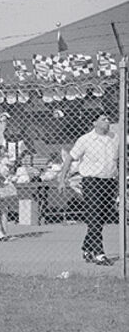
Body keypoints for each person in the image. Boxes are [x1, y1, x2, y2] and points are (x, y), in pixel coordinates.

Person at [61, 113, 119, 266]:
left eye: (108, 119)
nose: (107, 121)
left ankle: (87, 247)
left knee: (102, 217)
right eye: (103, 119)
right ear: (94, 123)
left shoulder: (114, 138)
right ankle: (99, 253)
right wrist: (62, 179)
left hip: (109, 181)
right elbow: (69, 158)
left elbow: (118, 160)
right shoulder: (85, 140)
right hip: (92, 182)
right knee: (94, 215)